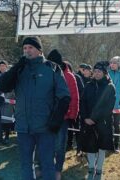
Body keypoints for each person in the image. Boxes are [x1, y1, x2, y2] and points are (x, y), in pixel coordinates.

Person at [0, 36, 70, 180]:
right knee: (25, 164)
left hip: (46, 127)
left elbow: (64, 97)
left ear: (39, 50)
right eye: (24, 48)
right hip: (23, 127)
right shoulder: (20, 69)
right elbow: (2, 86)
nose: (27, 51)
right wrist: (17, 66)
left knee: (47, 163)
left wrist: (55, 121)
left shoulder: (52, 68)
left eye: (30, 48)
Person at [47, 49, 79, 180]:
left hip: (63, 117)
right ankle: (46, 167)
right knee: (46, 144)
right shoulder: (45, 73)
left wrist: (73, 115)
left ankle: (58, 169)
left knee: (60, 145)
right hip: (45, 116)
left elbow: (75, 97)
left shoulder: (69, 76)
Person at [80, 61, 115, 180]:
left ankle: (99, 170)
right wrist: (85, 118)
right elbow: (82, 102)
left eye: (99, 71)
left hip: (103, 123)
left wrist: (94, 119)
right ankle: (91, 168)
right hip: (88, 122)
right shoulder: (89, 85)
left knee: (101, 147)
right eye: (95, 71)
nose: (96, 73)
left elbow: (108, 107)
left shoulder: (110, 87)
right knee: (90, 146)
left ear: (105, 73)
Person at [0, 60, 15, 145]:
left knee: (7, 121)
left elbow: (13, 88)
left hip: (8, 101)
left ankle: (7, 137)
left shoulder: (10, 76)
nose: (2, 67)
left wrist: (9, 98)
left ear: (6, 66)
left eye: (4, 65)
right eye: (0, 66)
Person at [108, 56, 120, 152]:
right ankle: (108, 143)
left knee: (116, 125)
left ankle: (116, 145)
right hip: (107, 104)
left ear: (118, 64)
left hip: (118, 104)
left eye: (114, 63)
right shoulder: (107, 74)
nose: (112, 64)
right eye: (111, 62)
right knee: (108, 125)